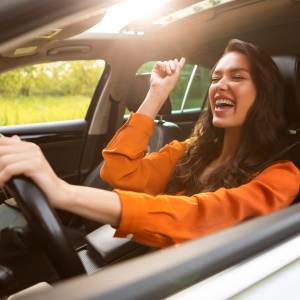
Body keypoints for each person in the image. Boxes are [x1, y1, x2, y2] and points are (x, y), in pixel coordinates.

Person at [0, 39, 299, 248]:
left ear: (264, 94)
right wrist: (156, 94)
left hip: (190, 280)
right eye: (216, 77)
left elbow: (196, 217)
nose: (220, 84)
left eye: (237, 77)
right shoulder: (190, 150)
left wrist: (63, 192)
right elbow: (118, 173)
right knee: (20, 241)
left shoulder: (282, 175)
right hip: (145, 255)